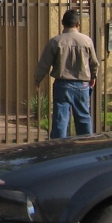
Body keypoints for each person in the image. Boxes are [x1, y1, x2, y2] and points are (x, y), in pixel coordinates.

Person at [34, 9, 98, 138]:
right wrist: (93, 76)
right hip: (82, 84)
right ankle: (86, 144)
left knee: (60, 118)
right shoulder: (87, 41)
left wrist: (37, 80)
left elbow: (44, 64)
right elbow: (94, 62)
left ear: (63, 23)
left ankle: (58, 146)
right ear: (78, 24)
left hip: (62, 84)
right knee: (83, 116)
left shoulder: (56, 41)